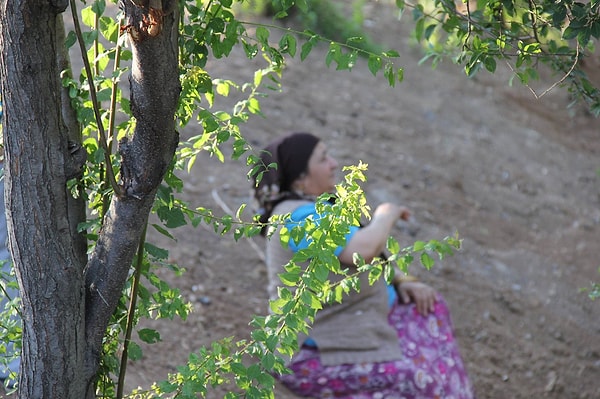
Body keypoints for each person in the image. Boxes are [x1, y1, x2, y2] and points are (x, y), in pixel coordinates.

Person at [253, 132, 475, 398]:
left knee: (430, 310)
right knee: (418, 377)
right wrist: (387, 214)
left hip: (357, 317)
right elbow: (363, 251)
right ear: (301, 177)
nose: (334, 163)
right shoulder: (297, 218)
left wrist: (401, 279)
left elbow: (359, 256)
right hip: (317, 349)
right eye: (323, 159)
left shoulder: (314, 208)